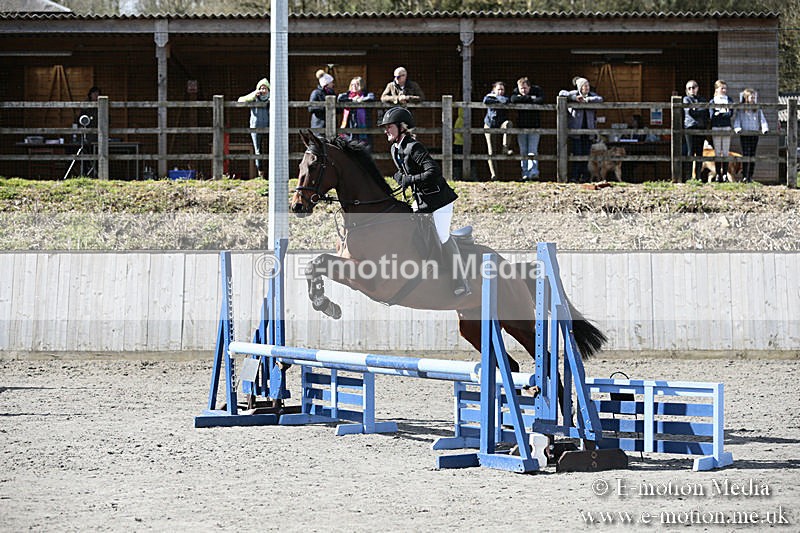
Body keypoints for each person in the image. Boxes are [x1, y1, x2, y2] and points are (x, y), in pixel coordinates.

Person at [380, 106, 469, 297]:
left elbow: (433, 171)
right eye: (385, 127)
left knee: (442, 236)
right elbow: (405, 172)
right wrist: (400, 177)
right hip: (421, 200)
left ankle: (460, 281)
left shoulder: (414, 147)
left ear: (401, 127)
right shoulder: (395, 148)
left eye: (389, 127)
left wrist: (409, 180)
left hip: (439, 201)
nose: (385, 130)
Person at [559, 76, 603, 183]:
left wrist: (586, 100)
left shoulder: (592, 96)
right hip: (576, 131)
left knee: (586, 155)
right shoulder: (574, 94)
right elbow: (561, 93)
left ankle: (585, 176)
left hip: (588, 131)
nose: (586, 88)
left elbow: (600, 99)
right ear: (580, 87)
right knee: (576, 154)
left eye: (587, 85)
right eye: (584, 86)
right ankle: (574, 176)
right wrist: (575, 98)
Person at [510, 76, 544, 180]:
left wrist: (524, 99)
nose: (523, 90)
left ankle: (533, 173)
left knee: (532, 150)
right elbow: (513, 99)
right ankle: (525, 174)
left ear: (529, 87)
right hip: (521, 127)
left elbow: (540, 100)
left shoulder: (537, 90)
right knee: (523, 151)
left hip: (534, 126)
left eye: (525, 88)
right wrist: (530, 98)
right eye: (521, 89)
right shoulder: (516, 92)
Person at [734, 88, 769, 183]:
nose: (753, 99)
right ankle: (744, 175)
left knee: (753, 154)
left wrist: (764, 128)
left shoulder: (757, 108)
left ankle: (750, 176)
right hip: (744, 134)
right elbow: (737, 120)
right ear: (746, 98)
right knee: (746, 154)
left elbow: (762, 120)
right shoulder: (741, 109)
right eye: (751, 97)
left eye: (754, 97)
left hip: (754, 134)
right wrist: (737, 128)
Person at [238, 77, 270, 178]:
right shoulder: (254, 98)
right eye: (261, 88)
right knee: (258, 150)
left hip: (269, 127)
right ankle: (260, 173)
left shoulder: (271, 99)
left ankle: (270, 173)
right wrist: (253, 95)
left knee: (270, 149)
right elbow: (240, 101)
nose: (263, 91)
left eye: (265, 88)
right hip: (255, 127)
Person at [482, 81, 512, 180]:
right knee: (491, 151)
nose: (500, 91)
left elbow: (507, 101)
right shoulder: (489, 96)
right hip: (489, 124)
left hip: (501, 123)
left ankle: (505, 147)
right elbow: (486, 100)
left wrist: (496, 99)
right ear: (494, 89)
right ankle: (494, 175)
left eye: (502, 89)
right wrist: (498, 99)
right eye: (498, 89)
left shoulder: (505, 97)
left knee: (508, 124)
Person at [337, 76, 375, 148]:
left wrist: (361, 100)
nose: (354, 86)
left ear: (362, 85)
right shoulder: (347, 95)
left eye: (357, 84)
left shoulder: (366, 94)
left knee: (364, 149)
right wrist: (353, 100)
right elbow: (340, 98)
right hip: (349, 127)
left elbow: (371, 98)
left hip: (363, 128)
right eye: (352, 84)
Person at [709, 79, 734, 182]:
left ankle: (724, 174)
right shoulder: (713, 101)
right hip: (716, 127)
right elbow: (712, 116)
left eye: (725, 88)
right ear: (717, 89)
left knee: (726, 152)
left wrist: (719, 113)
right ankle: (718, 173)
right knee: (718, 152)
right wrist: (722, 114)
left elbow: (730, 114)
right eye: (722, 88)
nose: (724, 90)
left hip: (726, 127)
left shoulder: (729, 100)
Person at [682, 80, 707, 182]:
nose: (692, 90)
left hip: (701, 128)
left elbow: (705, 112)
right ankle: (688, 177)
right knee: (690, 152)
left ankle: (698, 176)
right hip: (690, 127)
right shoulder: (686, 99)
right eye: (689, 88)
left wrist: (697, 110)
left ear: (697, 88)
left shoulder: (702, 99)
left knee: (699, 152)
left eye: (694, 87)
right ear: (687, 90)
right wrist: (699, 110)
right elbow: (691, 112)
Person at [78, 86, 101, 177]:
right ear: (90, 95)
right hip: (87, 137)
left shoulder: (101, 107)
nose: (96, 96)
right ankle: (85, 174)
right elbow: (80, 120)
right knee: (86, 157)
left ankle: (98, 174)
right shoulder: (86, 107)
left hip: (99, 138)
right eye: (94, 94)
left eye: (98, 94)